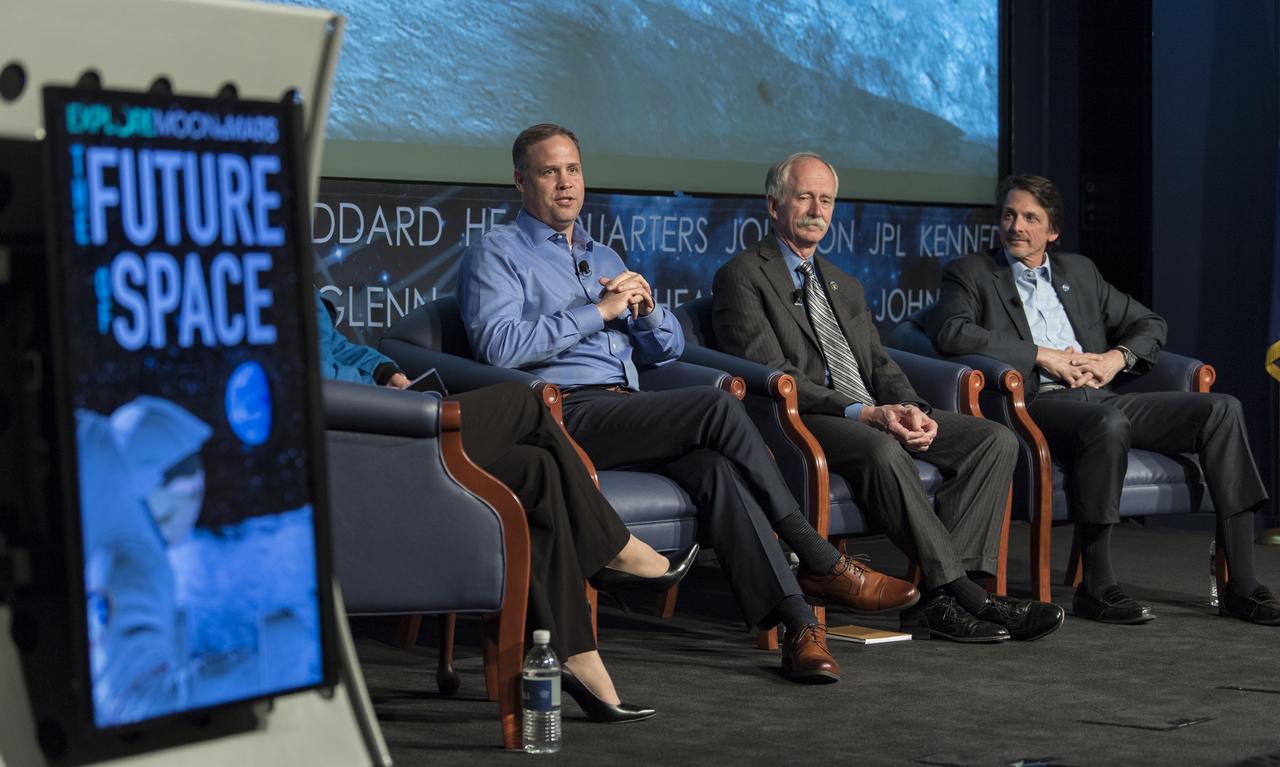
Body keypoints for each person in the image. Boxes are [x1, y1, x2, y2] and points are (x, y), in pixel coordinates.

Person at [456, 123, 921, 684]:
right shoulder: (496, 252)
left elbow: (668, 348)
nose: (565, 184)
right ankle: (816, 556)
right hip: (561, 416)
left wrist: (647, 310)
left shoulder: (602, 252)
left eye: (573, 170)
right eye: (549, 171)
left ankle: (800, 628)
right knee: (714, 406)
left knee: (716, 468)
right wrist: (598, 312)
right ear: (519, 181)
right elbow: (499, 347)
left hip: (627, 410)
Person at [712, 153, 1063, 643]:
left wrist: (912, 411)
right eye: (804, 197)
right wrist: (865, 412)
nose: (817, 208)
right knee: (880, 447)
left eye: (826, 199)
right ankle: (967, 595)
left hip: (872, 411)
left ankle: (937, 604)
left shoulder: (845, 284)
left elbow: (879, 365)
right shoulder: (743, 275)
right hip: (803, 420)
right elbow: (773, 373)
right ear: (774, 205)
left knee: (994, 440)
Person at [927, 173, 1280, 626]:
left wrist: (1117, 358)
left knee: (1222, 409)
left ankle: (1243, 585)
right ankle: (1097, 585)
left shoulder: (1079, 272)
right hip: (1038, 403)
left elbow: (1150, 324)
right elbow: (951, 331)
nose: (1017, 226)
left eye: (1030, 218)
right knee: (1108, 425)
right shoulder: (972, 272)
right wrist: (1043, 356)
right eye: (1010, 215)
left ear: (1052, 231)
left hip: (1101, 392)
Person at [316, 292, 687, 721]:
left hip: (392, 416)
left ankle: (576, 656)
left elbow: (334, 346)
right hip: (353, 440)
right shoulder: (241, 299)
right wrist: (381, 395)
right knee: (521, 401)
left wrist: (386, 373)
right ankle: (615, 550)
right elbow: (302, 376)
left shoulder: (291, 283)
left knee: (537, 469)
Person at [79, 397, 212, 725]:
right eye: (187, 483)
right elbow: (136, 701)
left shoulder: (97, 467)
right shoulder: (133, 559)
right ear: (149, 487)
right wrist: (263, 664)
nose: (196, 494)